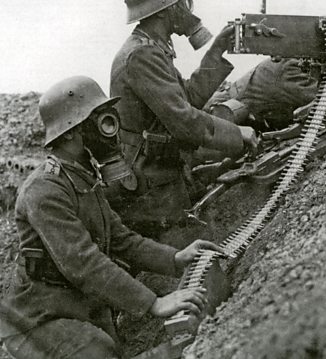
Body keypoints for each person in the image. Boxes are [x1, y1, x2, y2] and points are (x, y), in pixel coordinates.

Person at [0, 76, 224, 359]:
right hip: (35, 318)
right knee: (101, 352)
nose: (109, 128)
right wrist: (154, 303)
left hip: (77, 302)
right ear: (69, 132)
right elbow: (82, 263)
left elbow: (121, 239)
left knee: (114, 347)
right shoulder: (45, 190)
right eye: (97, 119)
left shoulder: (82, 175)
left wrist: (175, 258)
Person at [107, 0, 258, 233]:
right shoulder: (141, 55)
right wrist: (238, 134)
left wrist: (217, 50)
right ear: (167, 9)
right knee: (197, 253)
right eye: (181, 1)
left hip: (161, 172)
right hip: (150, 186)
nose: (187, 8)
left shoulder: (152, 48)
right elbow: (185, 121)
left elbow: (184, 99)